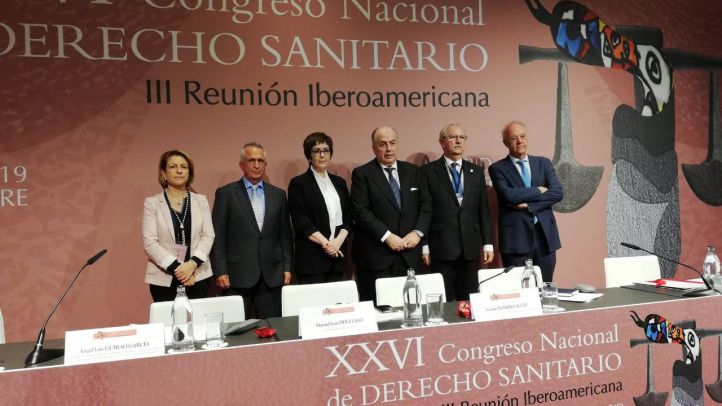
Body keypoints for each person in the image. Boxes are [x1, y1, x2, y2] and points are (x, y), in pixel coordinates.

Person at [211, 142, 293, 318]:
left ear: (265, 164)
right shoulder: (226, 194)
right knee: (237, 328)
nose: (256, 165)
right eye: (251, 160)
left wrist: (287, 267)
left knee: (273, 326)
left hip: (272, 275)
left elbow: (285, 236)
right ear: (242, 164)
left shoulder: (278, 195)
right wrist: (220, 270)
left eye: (260, 161)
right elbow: (218, 237)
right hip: (236, 276)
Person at [351, 126, 431, 303]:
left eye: (392, 143)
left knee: (410, 307)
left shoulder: (413, 171)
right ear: (374, 148)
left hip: (410, 255)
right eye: (383, 144)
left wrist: (417, 233)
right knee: (378, 309)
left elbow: (426, 206)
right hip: (376, 256)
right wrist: (387, 236)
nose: (389, 149)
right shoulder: (362, 174)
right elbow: (360, 210)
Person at [421, 124, 494, 300]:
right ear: (442, 142)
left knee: (468, 301)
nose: (458, 141)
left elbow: (483, 210)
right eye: (453, 137)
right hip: (441, 248)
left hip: (470, 248)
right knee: (441, 301)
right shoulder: (427, 172)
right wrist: (424, 245)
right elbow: (424, 211)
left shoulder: (476, 171)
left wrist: (488, 243)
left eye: (462, 137)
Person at [488, 121, 563, 282]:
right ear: (505, 143)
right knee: (519, 289)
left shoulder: (543, 163)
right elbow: (509, 195)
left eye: (522, 136)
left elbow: (557, 193)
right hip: (516, 239)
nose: (519, 141)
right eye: (514, 138)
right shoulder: (497, 168)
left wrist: (529, 205)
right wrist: (539, 190)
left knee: (545, 286)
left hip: (545, 237)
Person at [142, 150, 215, 302]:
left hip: (197, 276)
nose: (179, 171)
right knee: (168, 318)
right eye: (173, 166)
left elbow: (208, 236)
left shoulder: (200, 201)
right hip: (164, 278)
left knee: (197, 317)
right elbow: (150, 243)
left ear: (189, 172)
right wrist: (180, 269)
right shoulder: (152, 203)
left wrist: (192, 264)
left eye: (184, 167)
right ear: (163, 173)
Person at [288, 132, 353, 284]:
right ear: (309, 156)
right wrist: (327, 244)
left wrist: (337, 242)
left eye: (326, 150)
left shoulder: (339, 183)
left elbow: (349, 216)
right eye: (316, 151)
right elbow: (301, 221)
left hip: (337, 257)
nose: (322, 155)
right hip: (312, 260)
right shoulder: (299, 184)